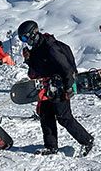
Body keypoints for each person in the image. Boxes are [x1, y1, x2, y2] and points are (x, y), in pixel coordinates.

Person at [17, 20, 94, 156]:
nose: (25, 41)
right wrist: (29, 59)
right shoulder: (36, 49)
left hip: (60, 87)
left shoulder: (50, 47)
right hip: (46, 87)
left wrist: (69, 87)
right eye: (22, 39)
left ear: (33, 33)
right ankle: (51, 146)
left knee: (64, 117)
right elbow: (35, 71)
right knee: (46, 116)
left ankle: (87, 140)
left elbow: (66, 68)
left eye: (25, 37)